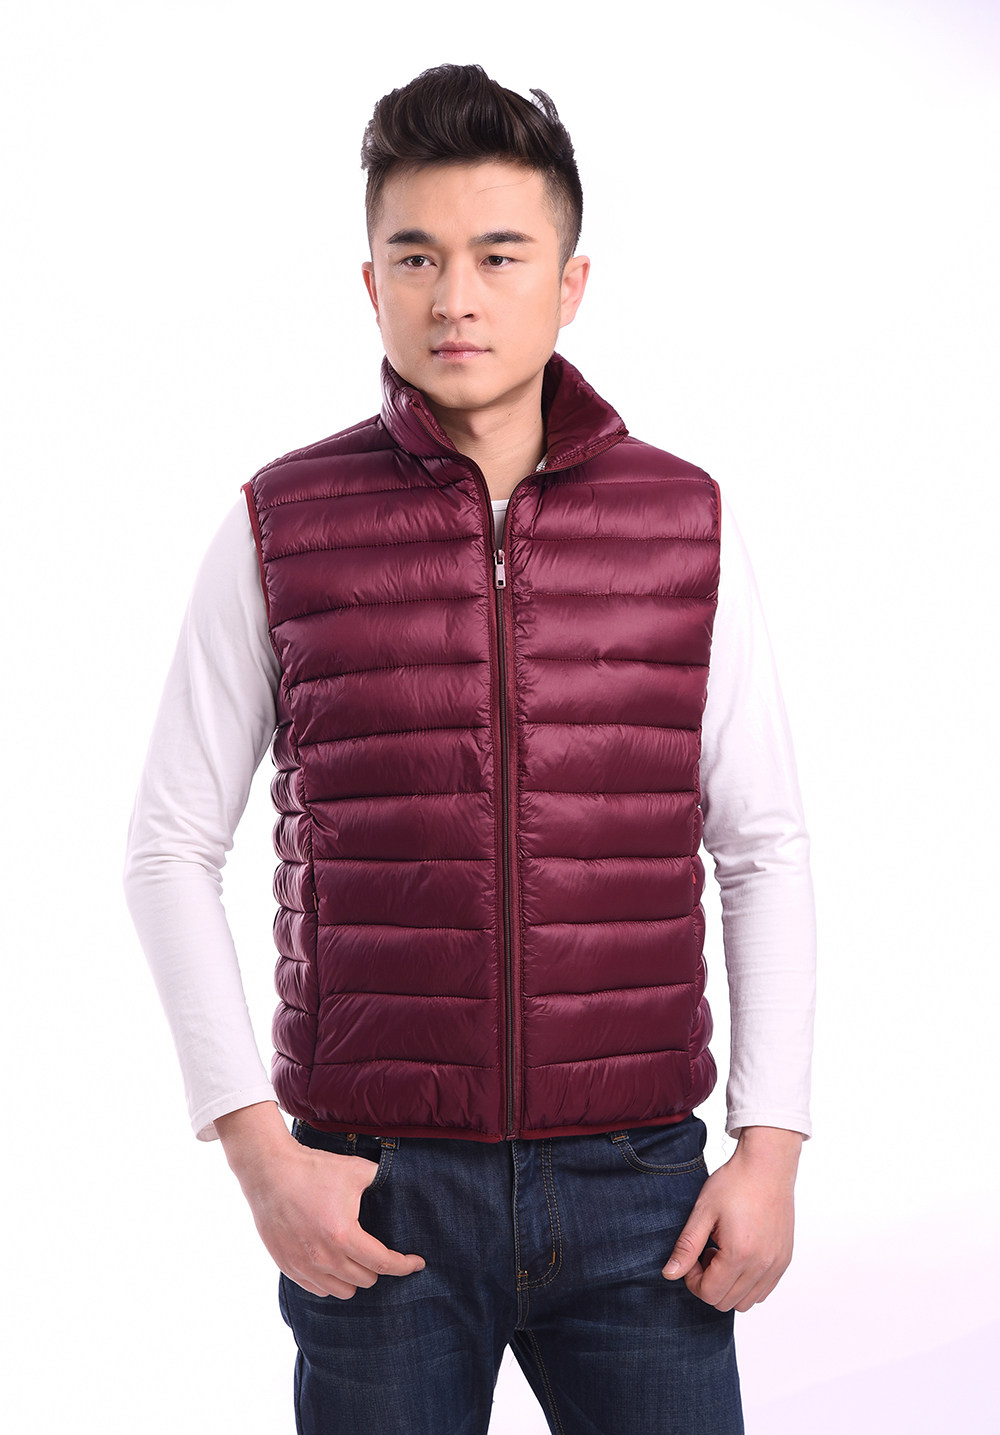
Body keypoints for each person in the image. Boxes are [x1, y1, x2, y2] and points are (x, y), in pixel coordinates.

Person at [123, 63, 815, 1435]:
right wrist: (259, 1155)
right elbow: (167, 846)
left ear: (569, 283)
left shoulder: (683, 519)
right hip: (374, 1191)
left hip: (639, 1189)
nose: (456, 298)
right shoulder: (279, 524)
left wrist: (772, 1147)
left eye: (500, 256)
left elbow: (762, 844)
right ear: (369, 283)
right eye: (417, 257)